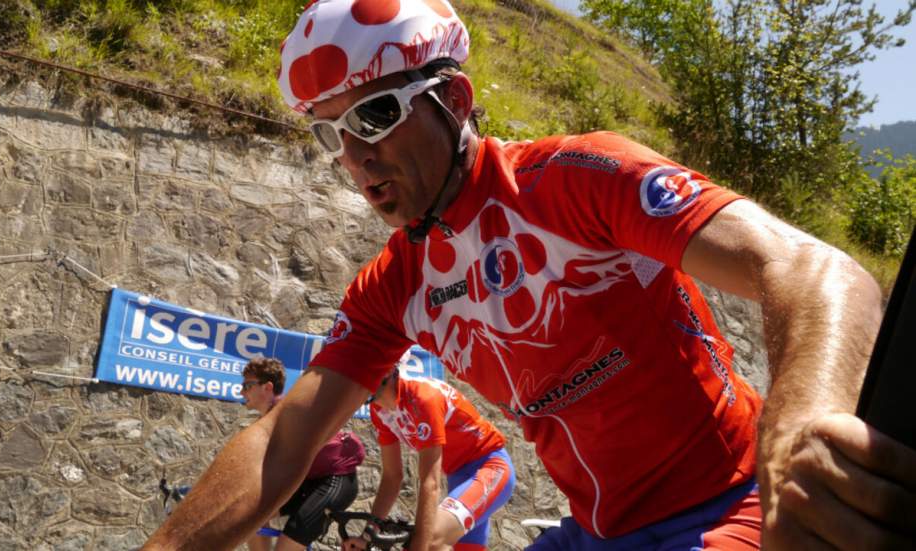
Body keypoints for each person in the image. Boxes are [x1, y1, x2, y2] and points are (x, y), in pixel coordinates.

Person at [144, 1, 916, 550]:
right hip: (598, 530)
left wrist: (795, 432)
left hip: (729, 502)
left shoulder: (574, 179)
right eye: (330, 134)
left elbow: (819, 270)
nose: (355, 156)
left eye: (374, 117)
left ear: (454, 98)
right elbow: (284, 438)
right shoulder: (394, 283)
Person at [341, 365, 514, 551]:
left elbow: (430, 483)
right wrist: (367, 536)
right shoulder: (379, 411)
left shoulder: (423, 398)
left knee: (428, 541)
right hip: (458, 479)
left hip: (490, 468)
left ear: (388, 370)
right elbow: (392, 477)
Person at [240, 357, 365, 551]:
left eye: (248, 385)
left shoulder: (291, 412)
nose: (242, 391)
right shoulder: (266, 421)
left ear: (268, 387)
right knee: (252, 515)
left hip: (337, 479)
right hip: (309, 481)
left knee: (288, 543)